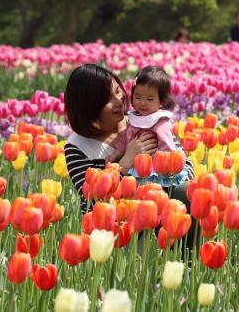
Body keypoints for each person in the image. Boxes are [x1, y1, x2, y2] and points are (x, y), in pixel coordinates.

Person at [62, 64, 195, 216]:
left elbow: (185, 164)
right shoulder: (77, 147)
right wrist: (125, 162)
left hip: (162, 215)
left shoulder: (143, 120)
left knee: (187, 191)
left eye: (118, 91)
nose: (119, 100)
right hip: (118, 226)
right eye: (107, 99)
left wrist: (165, 185)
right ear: (89, 107)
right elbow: (92, 201)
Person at [107, 66, 190, 187]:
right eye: (138, 97)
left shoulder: (160, 121)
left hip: (155, 166)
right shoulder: (134, 118)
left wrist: (168, 164)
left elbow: (166, 144)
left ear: (161, 101)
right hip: (136, 165)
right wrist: (116, 153)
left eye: (150, 99)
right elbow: (125, 139)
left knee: (151, 190)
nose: (142, 103)